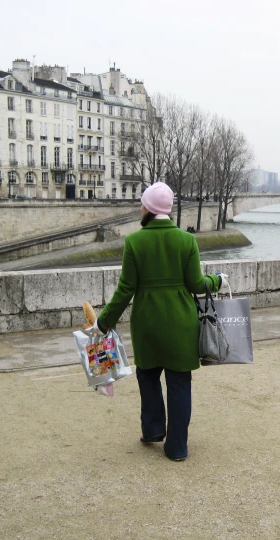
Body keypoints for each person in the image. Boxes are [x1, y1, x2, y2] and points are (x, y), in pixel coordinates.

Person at [88, 182, 223, 462]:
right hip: (181, 323)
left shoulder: (135, 242)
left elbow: (126, 290)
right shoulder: (187, 241)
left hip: (147, 323)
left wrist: (103, 323)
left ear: (148, 208)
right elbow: (197, 284)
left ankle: (151, 431)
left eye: (141, 204)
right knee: (179, 383)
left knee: (147, 378)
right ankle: (176, 448)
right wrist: (217, 281)